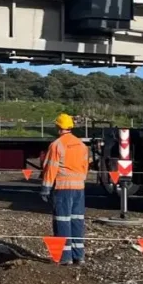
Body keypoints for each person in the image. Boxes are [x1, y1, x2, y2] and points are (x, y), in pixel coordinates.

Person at [40, 112, 89, 265]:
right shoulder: (81, 145)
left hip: (63, 188)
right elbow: (85, 166)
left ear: (58, 127)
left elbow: (50, 168)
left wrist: (45, 188)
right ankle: (79, 255)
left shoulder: (56, 145)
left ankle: (65, 257)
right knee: (77, 221)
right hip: (79, 188)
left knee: (62, 221)